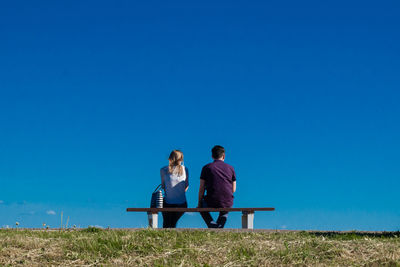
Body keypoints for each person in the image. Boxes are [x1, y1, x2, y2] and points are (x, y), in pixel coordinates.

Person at [197, 145, 236, 228]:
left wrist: (199, 203)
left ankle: (212, 225)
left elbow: (201, 188)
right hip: (227, 201)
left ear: (212, 156)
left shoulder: (206, 168)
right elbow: (233, 189)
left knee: (201, 208)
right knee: (226, 208)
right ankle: (217, 227)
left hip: (211, 200)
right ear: (224, 156)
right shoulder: (231, 168)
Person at [160, 150, 189, 228]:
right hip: (182, 204)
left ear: (170, 158)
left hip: (167, 203)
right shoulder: (185, 169)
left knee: (166, 222)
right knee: (173, 222)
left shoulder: (163, 170)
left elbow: (163, 187)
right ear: (181, 159)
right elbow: (186, 187)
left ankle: (165, 236)